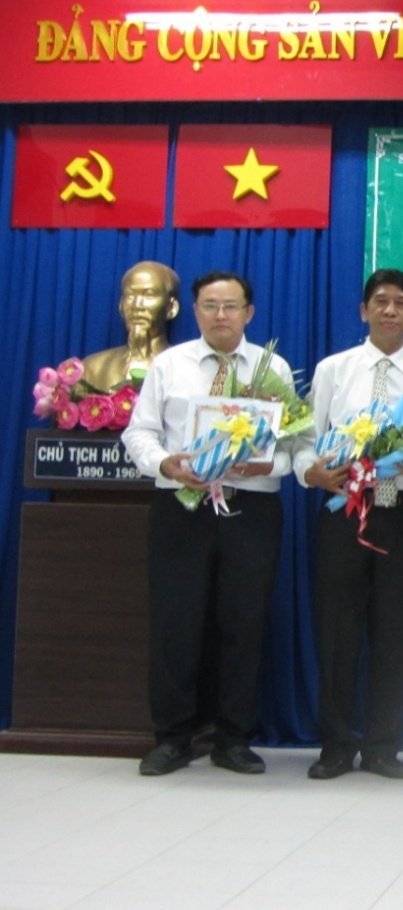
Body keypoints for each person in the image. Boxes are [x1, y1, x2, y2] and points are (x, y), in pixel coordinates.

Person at [123, 271, 294, 776]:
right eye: (211, 305)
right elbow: (139, 434)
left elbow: (294, 447)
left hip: (251, 510)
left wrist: (269, 465)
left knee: (244, 624)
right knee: (176, 623)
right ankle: (173, 738)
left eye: (231, 305)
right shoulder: (169, 365)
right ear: (194, 311)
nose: (221, 315)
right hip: (182, 506)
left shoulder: (273, 368)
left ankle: (233, 739)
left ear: (249, 313)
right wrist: (166, 464)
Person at [294, 269, 403, 780]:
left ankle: (384, 746)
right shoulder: (333, 370)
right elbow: (304, 441)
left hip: (402, 512)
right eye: (380, 301)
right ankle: (336, 747)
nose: (390, 310)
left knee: (395, 630)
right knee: (337, 630)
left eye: (400, 303)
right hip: (343, 508)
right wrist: (311, 472)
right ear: (363, 310)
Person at [81, 260, 181, 392]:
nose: (137, 305)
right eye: (130, 296)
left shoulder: (190, 370)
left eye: (149, 295)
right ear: (121, 306)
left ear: (171, 308)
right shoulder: (92, 368)